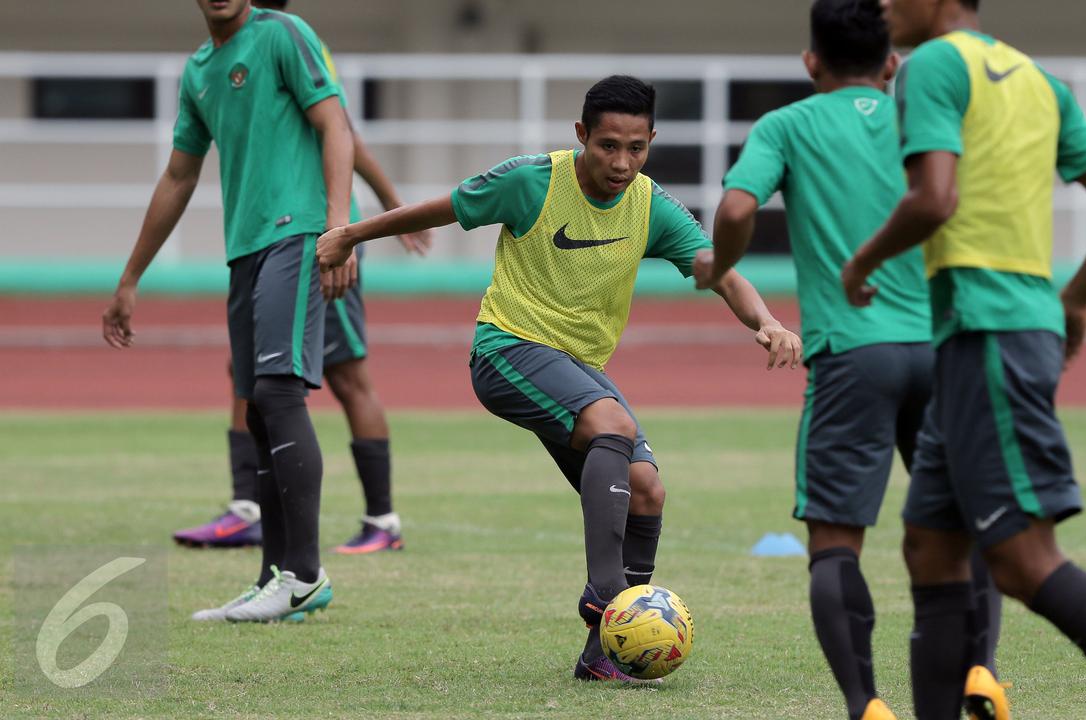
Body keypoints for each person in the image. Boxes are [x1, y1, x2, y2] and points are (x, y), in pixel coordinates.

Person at [316, 75, 803, 680]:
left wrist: (767, 321)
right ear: (581, 136)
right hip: (507, 351)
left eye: (636, 147)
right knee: (613, 425)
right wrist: (350, 235)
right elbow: (445, 208)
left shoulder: (652, 205)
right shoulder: (532, 182)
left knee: (647, 488)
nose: (622, 162)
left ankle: (601, 654)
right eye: (607, 146)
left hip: (578, 370)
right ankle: (608, 597)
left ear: (650, 139)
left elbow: (720, 270)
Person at [842, 1, 1086, 718]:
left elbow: (935, 199)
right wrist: (1077, 298)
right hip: (993, 333)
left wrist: (863, 261)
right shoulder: (1035, 77)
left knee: (1024, 562)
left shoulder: (933, 64)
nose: (879, 4)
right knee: (930, 551)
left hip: (987, 335)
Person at [696, 2, 998, 718]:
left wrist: (720, 268)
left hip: (851, 355)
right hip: (938, 344)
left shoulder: (787, 125)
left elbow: (737, 210)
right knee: (963, 525)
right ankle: (982, 672)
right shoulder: (915, 119)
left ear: (810, 62)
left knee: (836, 541)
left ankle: (867, 704)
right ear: (892, 62)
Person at [103, 0, 353, 623]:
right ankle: (276, 578)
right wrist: (130, 278)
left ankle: (304, 575)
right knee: (260, 410)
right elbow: (179, 176)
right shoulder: (199, 71)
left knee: (278, 393)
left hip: (298, 234)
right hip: (244, 250)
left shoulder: (282, 35)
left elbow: (336, 126)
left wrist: (341, 229)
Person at [171, 0, 431, 555]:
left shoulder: (287, 39)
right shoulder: (233, 53)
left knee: (342, 375)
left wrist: (376, 211)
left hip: (316, 239)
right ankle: (250, 507)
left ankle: (381, 520)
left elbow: (342, 130)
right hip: (279, 241)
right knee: (250, 370)